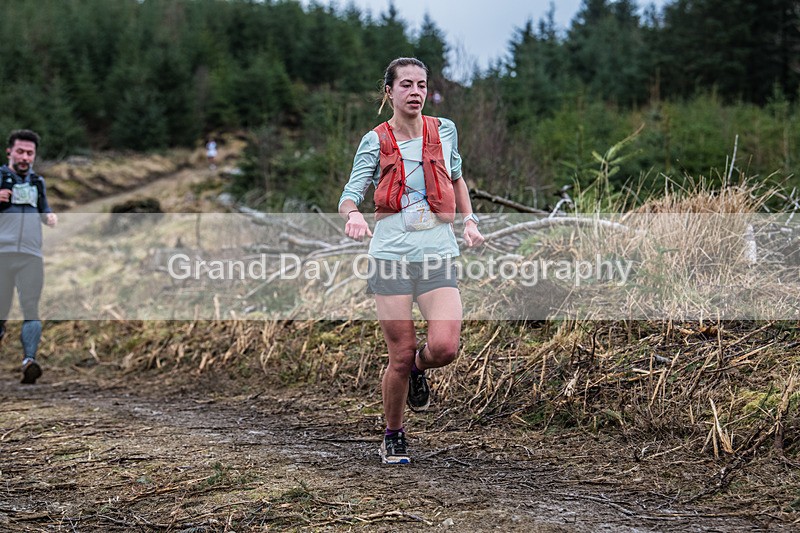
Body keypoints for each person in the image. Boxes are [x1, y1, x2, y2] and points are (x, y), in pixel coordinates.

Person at [338, 57, 484, 464]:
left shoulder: (445, 129)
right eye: (406, 85)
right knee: (399, 355)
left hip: (438, 252)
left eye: (421, 85)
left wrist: (469, 221)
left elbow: (456, 179)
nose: (415, 92)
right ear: (390, 91)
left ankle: (421, 369)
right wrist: (352, 215)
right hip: (391, 258)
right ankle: (393, 434)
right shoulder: (375, 139)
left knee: (445, 347)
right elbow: (351, 194)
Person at [0, 129, 57, 384]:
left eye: (30, 153)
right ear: (9, 151)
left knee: (31, 309)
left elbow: (44, 208)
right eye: (20, 151)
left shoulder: (38, 182)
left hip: (31, 256)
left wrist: (50, 216)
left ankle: (29, 362)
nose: (25, 157)